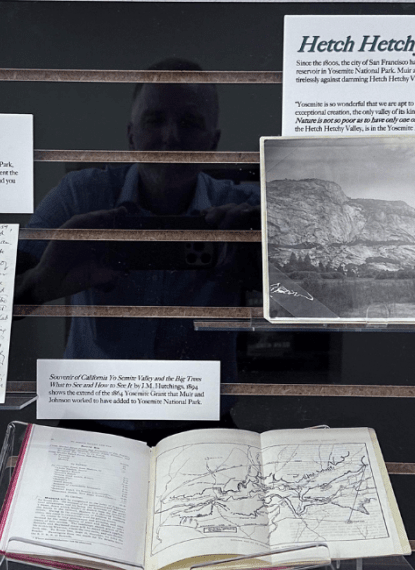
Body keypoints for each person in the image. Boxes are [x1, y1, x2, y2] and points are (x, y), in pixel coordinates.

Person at [15, 58, 260, 390]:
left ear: (212, 144)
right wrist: (41, 282)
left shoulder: (246, 209)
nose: (170, 137)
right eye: (154, 119)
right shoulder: (81, 194)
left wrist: (269, 259)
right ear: (132, 136)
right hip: (94, 412)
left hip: (196, 413)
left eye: (189, 122)